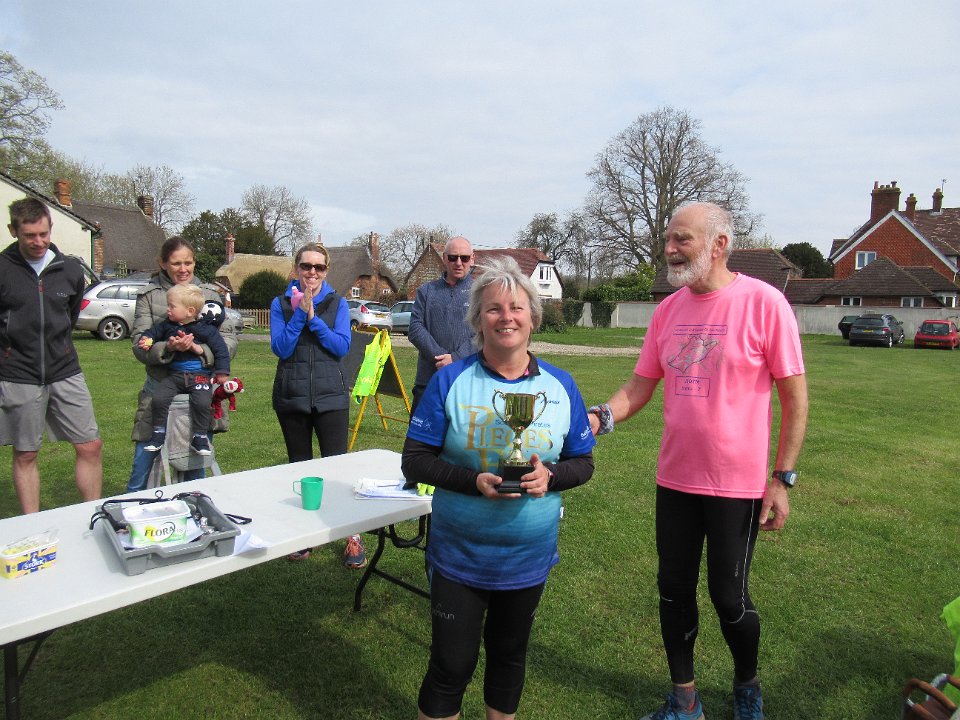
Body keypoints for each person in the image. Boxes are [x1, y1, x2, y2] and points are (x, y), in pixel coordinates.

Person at [589, 202, 808, 720]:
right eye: (668, 239)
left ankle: (747, 686)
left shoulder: (765, 303)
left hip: (737, 485)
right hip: (676, 479)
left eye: (681, 239)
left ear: (719, 244)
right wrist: (598, 418)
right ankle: (684, 700)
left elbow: (795, 399)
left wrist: (782, 479)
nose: (669, 248)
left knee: (729, 597)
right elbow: (639, 386)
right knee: (673, 591)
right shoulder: (668, 311)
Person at [402, 255, 595, 720]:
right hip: (459, 555)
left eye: (516, 308)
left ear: (533, 318)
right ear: (477, 319)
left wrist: (550, 476)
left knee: (509, 660)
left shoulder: (560, 385)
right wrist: (473, 481)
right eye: (493, 308)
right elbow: (415, 460)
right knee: (450, 666)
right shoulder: (451, 380)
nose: (506, 317)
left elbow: (583, 463)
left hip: (527, 558)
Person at [0, 198, 103, 514]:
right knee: (26, 453)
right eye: (30, 235)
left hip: (65, 370)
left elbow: (69, 316)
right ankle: (32, 525)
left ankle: (92, 515)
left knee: (90, 445)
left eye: (43, 234)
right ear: (13, 230)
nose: (38, 241)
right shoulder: (3, 269)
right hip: (18, 373)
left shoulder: (69, 269)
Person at [270, 242, 364, 566]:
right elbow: (281, 348)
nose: (312, 272)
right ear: (296, 268)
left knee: (337, 469)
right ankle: (304, 535)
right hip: (292, 396)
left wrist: (314, 318)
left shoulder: (338, 303)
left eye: (318, 267)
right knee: (300, 469)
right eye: (306, 266)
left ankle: (352, 535)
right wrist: (300, 314)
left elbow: (341, 347)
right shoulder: (281, 303)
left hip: (331, 397)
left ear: (326, 270)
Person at [127, 237, 240, 492]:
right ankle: (132, 506)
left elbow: (228, 341)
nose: (183, 269)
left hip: (199, 387)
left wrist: (199, 350)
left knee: (195, 464)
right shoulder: (149, 296)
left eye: (188, 263)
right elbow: (139, 343)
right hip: (159, 387)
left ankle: (192, 507)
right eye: (176, 263)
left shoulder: (209, 295)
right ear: (163, 263)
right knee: (143, 462)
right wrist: (168, 348)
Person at [138, 284, 231, 456]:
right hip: (175, 376)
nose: (168, 309)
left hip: (199, 377)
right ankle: (158, 434)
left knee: (202, 403)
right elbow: (152, 332)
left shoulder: (206, 330)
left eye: (172, 306)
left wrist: (222, 372)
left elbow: (221, 350)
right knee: (159, 399)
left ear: (190, 311)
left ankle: (200, 436)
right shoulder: (167, 326)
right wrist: (147, 340)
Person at [407, 236, 475, 412]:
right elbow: (415, 329)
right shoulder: (426, 291)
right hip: (429, 380)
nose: (458, 263)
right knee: (422, 430)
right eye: (453, 257)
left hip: (467, 380)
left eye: (464, 258)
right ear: (444, 258)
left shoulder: (482, 293)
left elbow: (486, 334)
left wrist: (456, 358)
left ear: (472, 259)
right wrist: (441, 358)